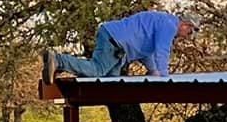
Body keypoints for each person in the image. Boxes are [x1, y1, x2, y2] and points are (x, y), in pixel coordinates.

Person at [45, 11, 196, 85]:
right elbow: (162, 51)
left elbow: (145, 52)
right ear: (185, 25)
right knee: (98, 70)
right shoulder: (169, 26)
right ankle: (59, 60)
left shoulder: (162, 20)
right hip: (115, 41)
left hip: (116, 42)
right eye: (189, 33)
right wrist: (164, 78)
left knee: (112, 84)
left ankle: (60, 66)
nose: (186, 36)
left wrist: (153, 70)